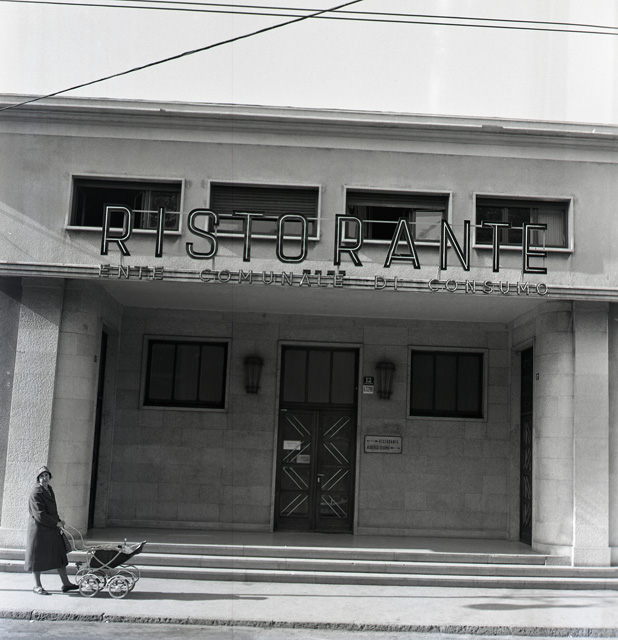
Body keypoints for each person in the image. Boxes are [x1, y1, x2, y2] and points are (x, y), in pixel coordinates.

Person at [24, 466, 78, 595]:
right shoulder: (36, 492)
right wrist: (56, 523)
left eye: (46, 475)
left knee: (59, 555)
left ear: (49, 477)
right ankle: (37, 586)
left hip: (51, 529)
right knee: (37, 559)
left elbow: (53, 510)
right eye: (42, 476)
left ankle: (66, 583)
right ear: (38, 478)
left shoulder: (49, 489)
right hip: (39, 531)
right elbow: (40, 515)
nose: (44, 478)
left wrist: (59, 521)